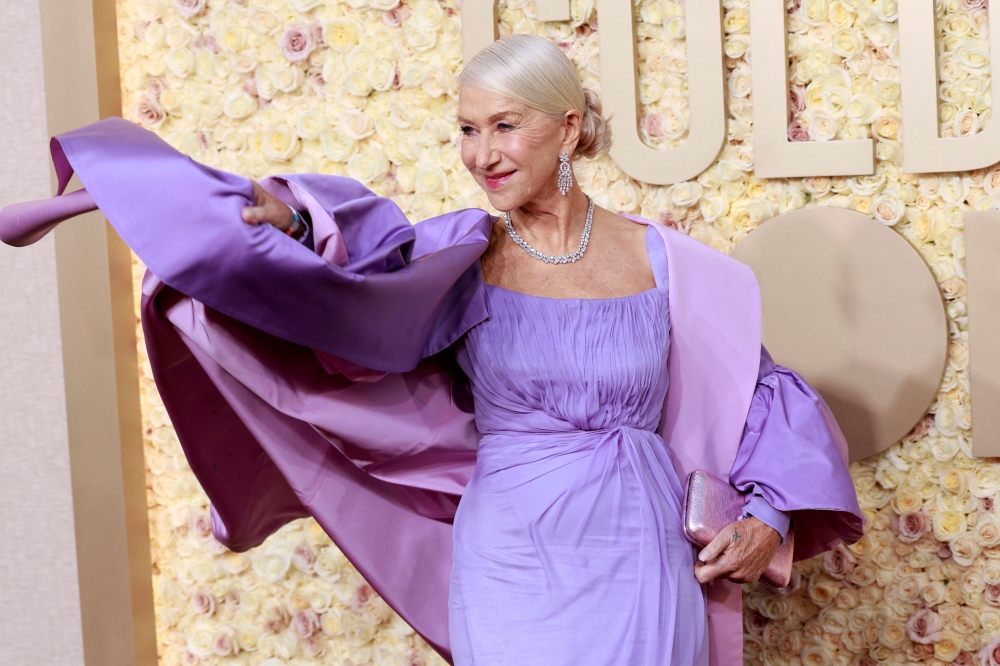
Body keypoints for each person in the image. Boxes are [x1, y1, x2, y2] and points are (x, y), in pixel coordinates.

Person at [1, 33, 861, 666]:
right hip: (512, 554)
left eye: (504, 126)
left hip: (642, 551)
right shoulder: (464, 252)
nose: (480, 154)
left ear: (567, 130)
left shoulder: (670, 260)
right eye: (465, 130)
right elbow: (362, 280)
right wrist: (295, 221)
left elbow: (761, 391)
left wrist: (769, 516)